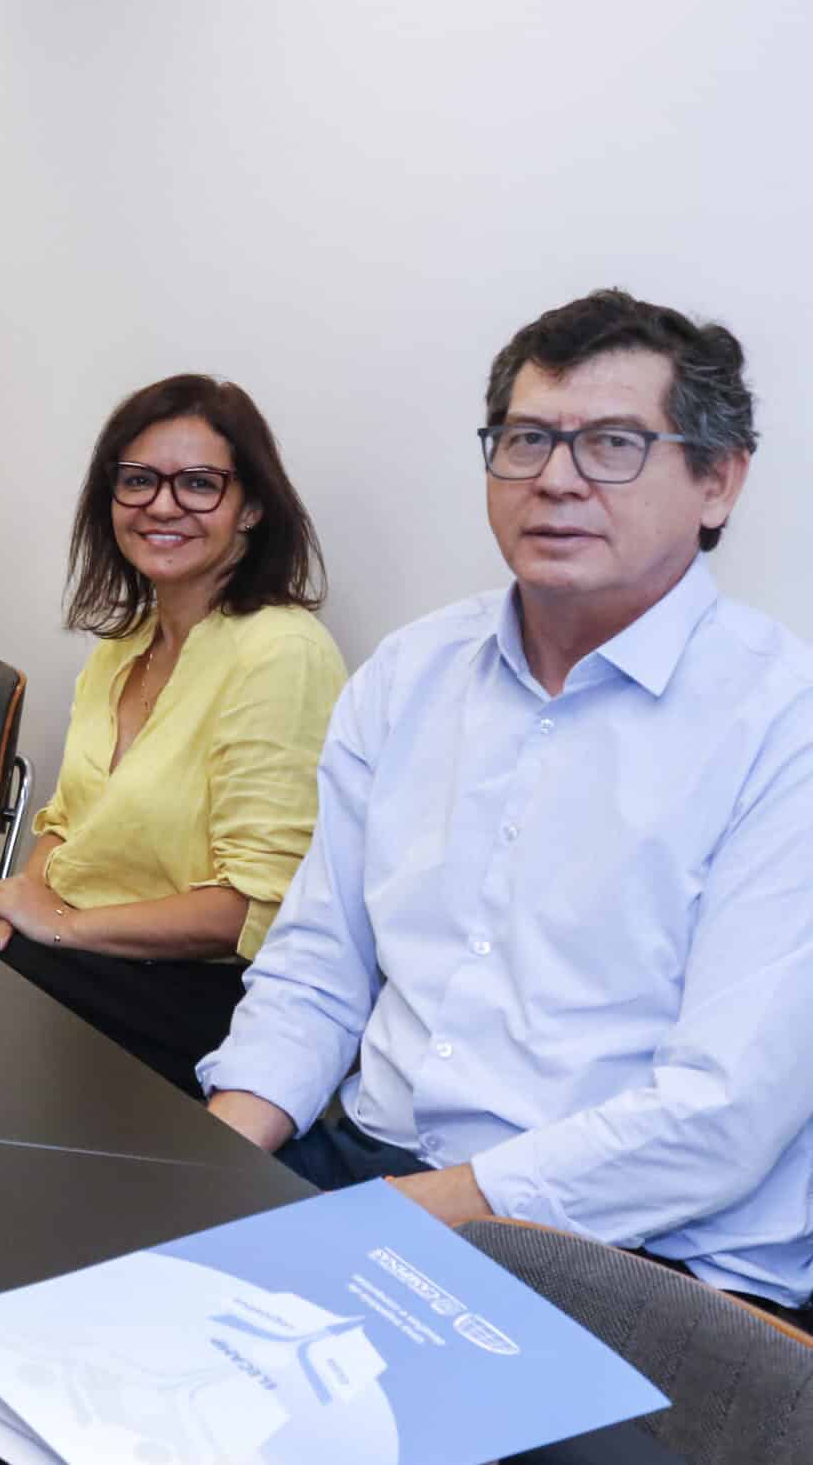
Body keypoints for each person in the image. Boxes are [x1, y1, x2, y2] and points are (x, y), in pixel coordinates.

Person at [198, 289, 813, 1321]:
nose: (555, 480)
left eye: (612, 443)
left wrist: (398, 1219)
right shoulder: (411, 673)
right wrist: (207, 1163)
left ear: (718, 482)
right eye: (525, 439)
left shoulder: (778, 724)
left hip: (631, 1249)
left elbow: (720, 1116)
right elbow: (316, 970)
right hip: (371, 1168)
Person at [0, 376, 343, 1094]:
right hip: (83, 958)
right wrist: (13, 903)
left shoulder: (282, 652)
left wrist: (59, 923)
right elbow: (67, 825)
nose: (162, 504)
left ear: (251, 505)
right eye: (138, 481)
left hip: (194, 994)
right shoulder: (121, 647)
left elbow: (250, 908)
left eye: (198, 483)